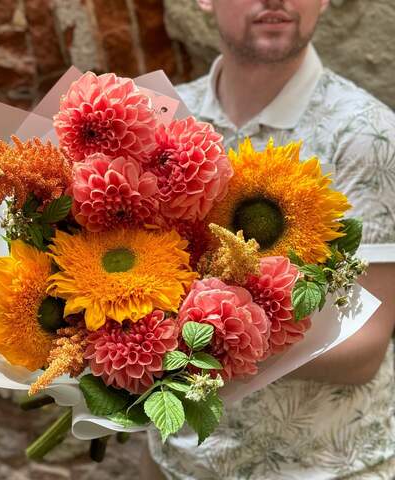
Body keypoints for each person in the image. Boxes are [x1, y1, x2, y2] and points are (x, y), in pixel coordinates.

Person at [141, 0, 395, 478]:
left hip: (324, 467)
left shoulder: (366, 133)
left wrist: (197, 348)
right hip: (181, 463)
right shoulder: (161, 120)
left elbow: (365, 348)